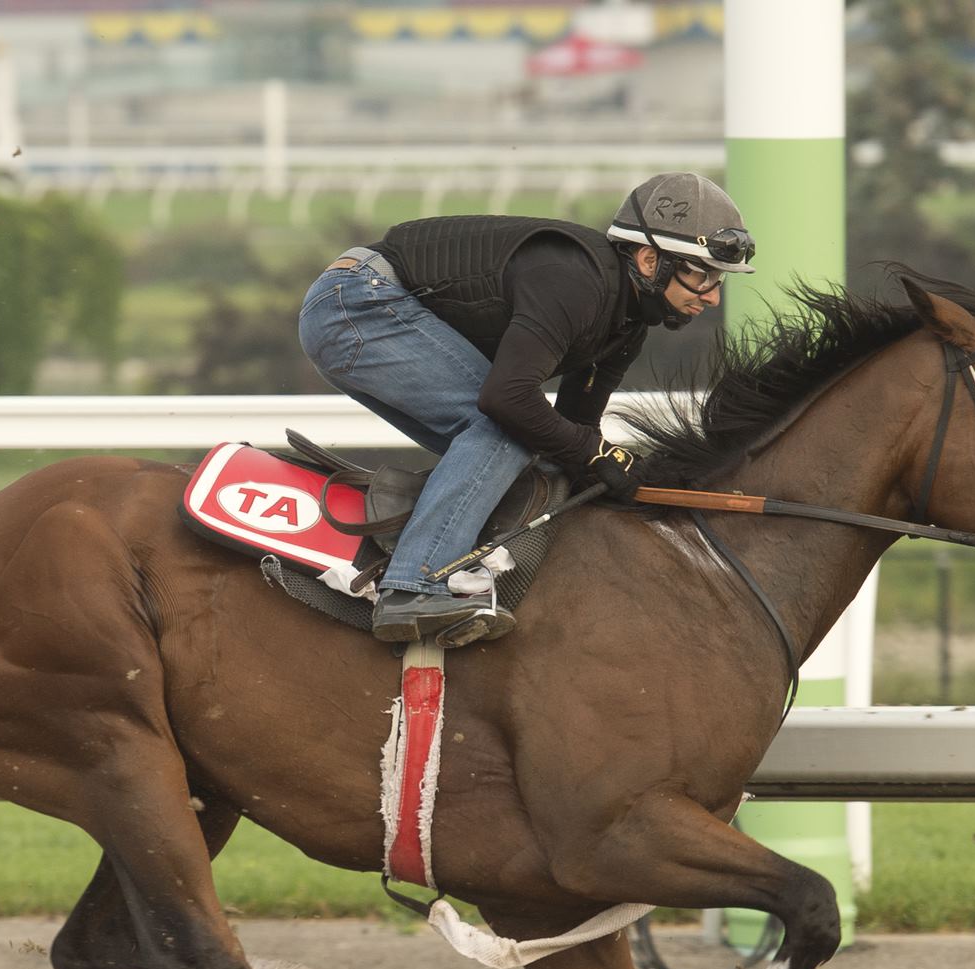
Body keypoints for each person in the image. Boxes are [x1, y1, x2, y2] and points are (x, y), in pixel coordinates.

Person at [297, 172, 755, 646]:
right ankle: (413, 584)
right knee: (507, 429)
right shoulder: (578, 281)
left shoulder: (625, 327)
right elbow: (507, 400)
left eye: (718, 279)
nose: (713, 295)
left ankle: (450, 562)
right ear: (649, 259)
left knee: (538, 450)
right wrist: (599, 454)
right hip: (358, 302)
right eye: (701, 274)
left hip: (356, 306)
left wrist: (639, 479)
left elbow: (573, 433)